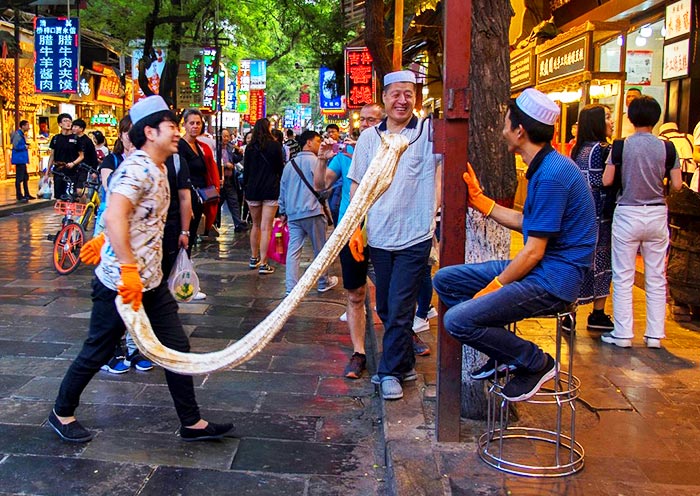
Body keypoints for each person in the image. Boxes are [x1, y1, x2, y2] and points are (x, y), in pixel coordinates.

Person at [48, 95, 233, 443]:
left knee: (176, 346)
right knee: (99, 349)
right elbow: (115, 214)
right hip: (121, 284)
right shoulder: (137, 168)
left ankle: (191, 422)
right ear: (150, 131)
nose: (178, 132)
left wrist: (103, 241)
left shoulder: (162, 165)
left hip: (152, 281)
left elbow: (131, 219)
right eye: (172, 126)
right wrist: (126, 266)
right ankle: (62, 412)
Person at [432, 88, 597, 402]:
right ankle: (506, 352)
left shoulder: (551, 175)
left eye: (506, 124)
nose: (502, 130)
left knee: (457, 320)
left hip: (554, 281)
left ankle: (535, 361)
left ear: (520, 131)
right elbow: (530, 223)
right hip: (544, 269)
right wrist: (483, 203)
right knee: (445, 280)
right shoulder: (546, 167)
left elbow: (534, 250)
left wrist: (495, 286)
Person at [346, 70, 441, 400]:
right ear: (384, 98)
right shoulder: (370, 138)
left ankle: (388, 373)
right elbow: (357, 184)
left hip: (415, 236)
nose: (402, 100)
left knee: (400, 306)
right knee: (386, 306)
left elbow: (445, 165)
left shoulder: (428, 133)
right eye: (396, 94)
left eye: (409, 94)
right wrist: (355, 228)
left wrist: (436, 216)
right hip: (380, 236)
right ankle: (404, 361)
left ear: (416, 98)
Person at [601, 96, 682, 349]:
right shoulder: (668, 148)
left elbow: (606, 180)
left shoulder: (620, 147)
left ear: (630, 117)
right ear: (656, 118)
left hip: (627, 213)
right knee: (657, 276)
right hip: (657, 213)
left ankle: (624, 334)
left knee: (623, 275)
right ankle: (654, 335)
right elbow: (677, 185)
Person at [317, 103, 386, 378]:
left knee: (391, 291)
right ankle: (359, 352)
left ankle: (401, 342)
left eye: (373, 120)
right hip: (351, 227)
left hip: (384, 228)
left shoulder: (391, 151)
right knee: (356, 292)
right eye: (364, 120)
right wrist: (322, 159)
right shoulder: (345, 154)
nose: (367, 124)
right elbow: (322, 184)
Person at [569, 104, 615, 331]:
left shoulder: (578, 149)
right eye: (607, 117)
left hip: (581, 216)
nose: (612, 121)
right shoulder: (603, 149)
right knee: (602, 264)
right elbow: (604, 182)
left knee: (581, 263)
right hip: (601, 216)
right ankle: (598, 313)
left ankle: (570, 311)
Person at [278, 130, 339, 295]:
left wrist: (282, 211)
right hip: (313, 212)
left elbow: (282, 189)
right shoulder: (317, 162)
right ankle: (323, 281)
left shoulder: (290, 165)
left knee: (293, 251)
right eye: (318, 141)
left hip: (293, 214)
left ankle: (291, 288)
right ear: (309, 142)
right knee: (320, 249)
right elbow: (324, 186)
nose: (320, 144)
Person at [243, 118, 285, 275]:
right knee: (267, 226)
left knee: (256, 225)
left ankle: (254, 258)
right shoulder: (275, 146)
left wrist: (246, 188)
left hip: (253, 190)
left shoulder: (249, 148)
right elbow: (279, 168)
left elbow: (246, 171)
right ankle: (264, 262)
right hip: (270, 189)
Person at [178, 109, 220, 256]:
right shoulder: (180, 146)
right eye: (192, 123)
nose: (195, 126)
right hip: (186, 198)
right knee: (185, 238)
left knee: (192, 237)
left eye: (198, 123)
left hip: (199, 198)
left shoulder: (199, 146)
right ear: (185, 125)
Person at [47, 113, 84, 200]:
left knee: (71, 197)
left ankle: (70, 213)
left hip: (72, 172)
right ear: (60, 124)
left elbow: (81, 156)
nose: (68, 123)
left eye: (69, 121)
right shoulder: (55, 138)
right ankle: (62, 213)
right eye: (65, 121)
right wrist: (47, 171)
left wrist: (73, 163)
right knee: (59, 197)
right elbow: (52, 155)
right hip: (58, 171)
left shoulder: (76, 139)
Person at [221, 129, 247, 232]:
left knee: (234, 201)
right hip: (219, 180)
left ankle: (238, 223)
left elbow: (235, 159)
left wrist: (239, 153)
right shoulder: (216, 148)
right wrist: (224, 164)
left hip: (230, 179)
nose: (226, 138)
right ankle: (211, 224)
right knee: (217, 203)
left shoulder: (230, 147)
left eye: (228, 136)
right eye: (224, 136)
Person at [11, 120, 33, 203]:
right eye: (27, 125)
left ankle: (26, 193)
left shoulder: (22, 135)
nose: (28, 127)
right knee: (19, 177)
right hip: (19, 159)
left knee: (25, 177)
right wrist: (25, 146)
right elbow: (16, 146)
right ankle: (19, 195)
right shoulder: (18, 135)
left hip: (22, 159)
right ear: (23, 126)